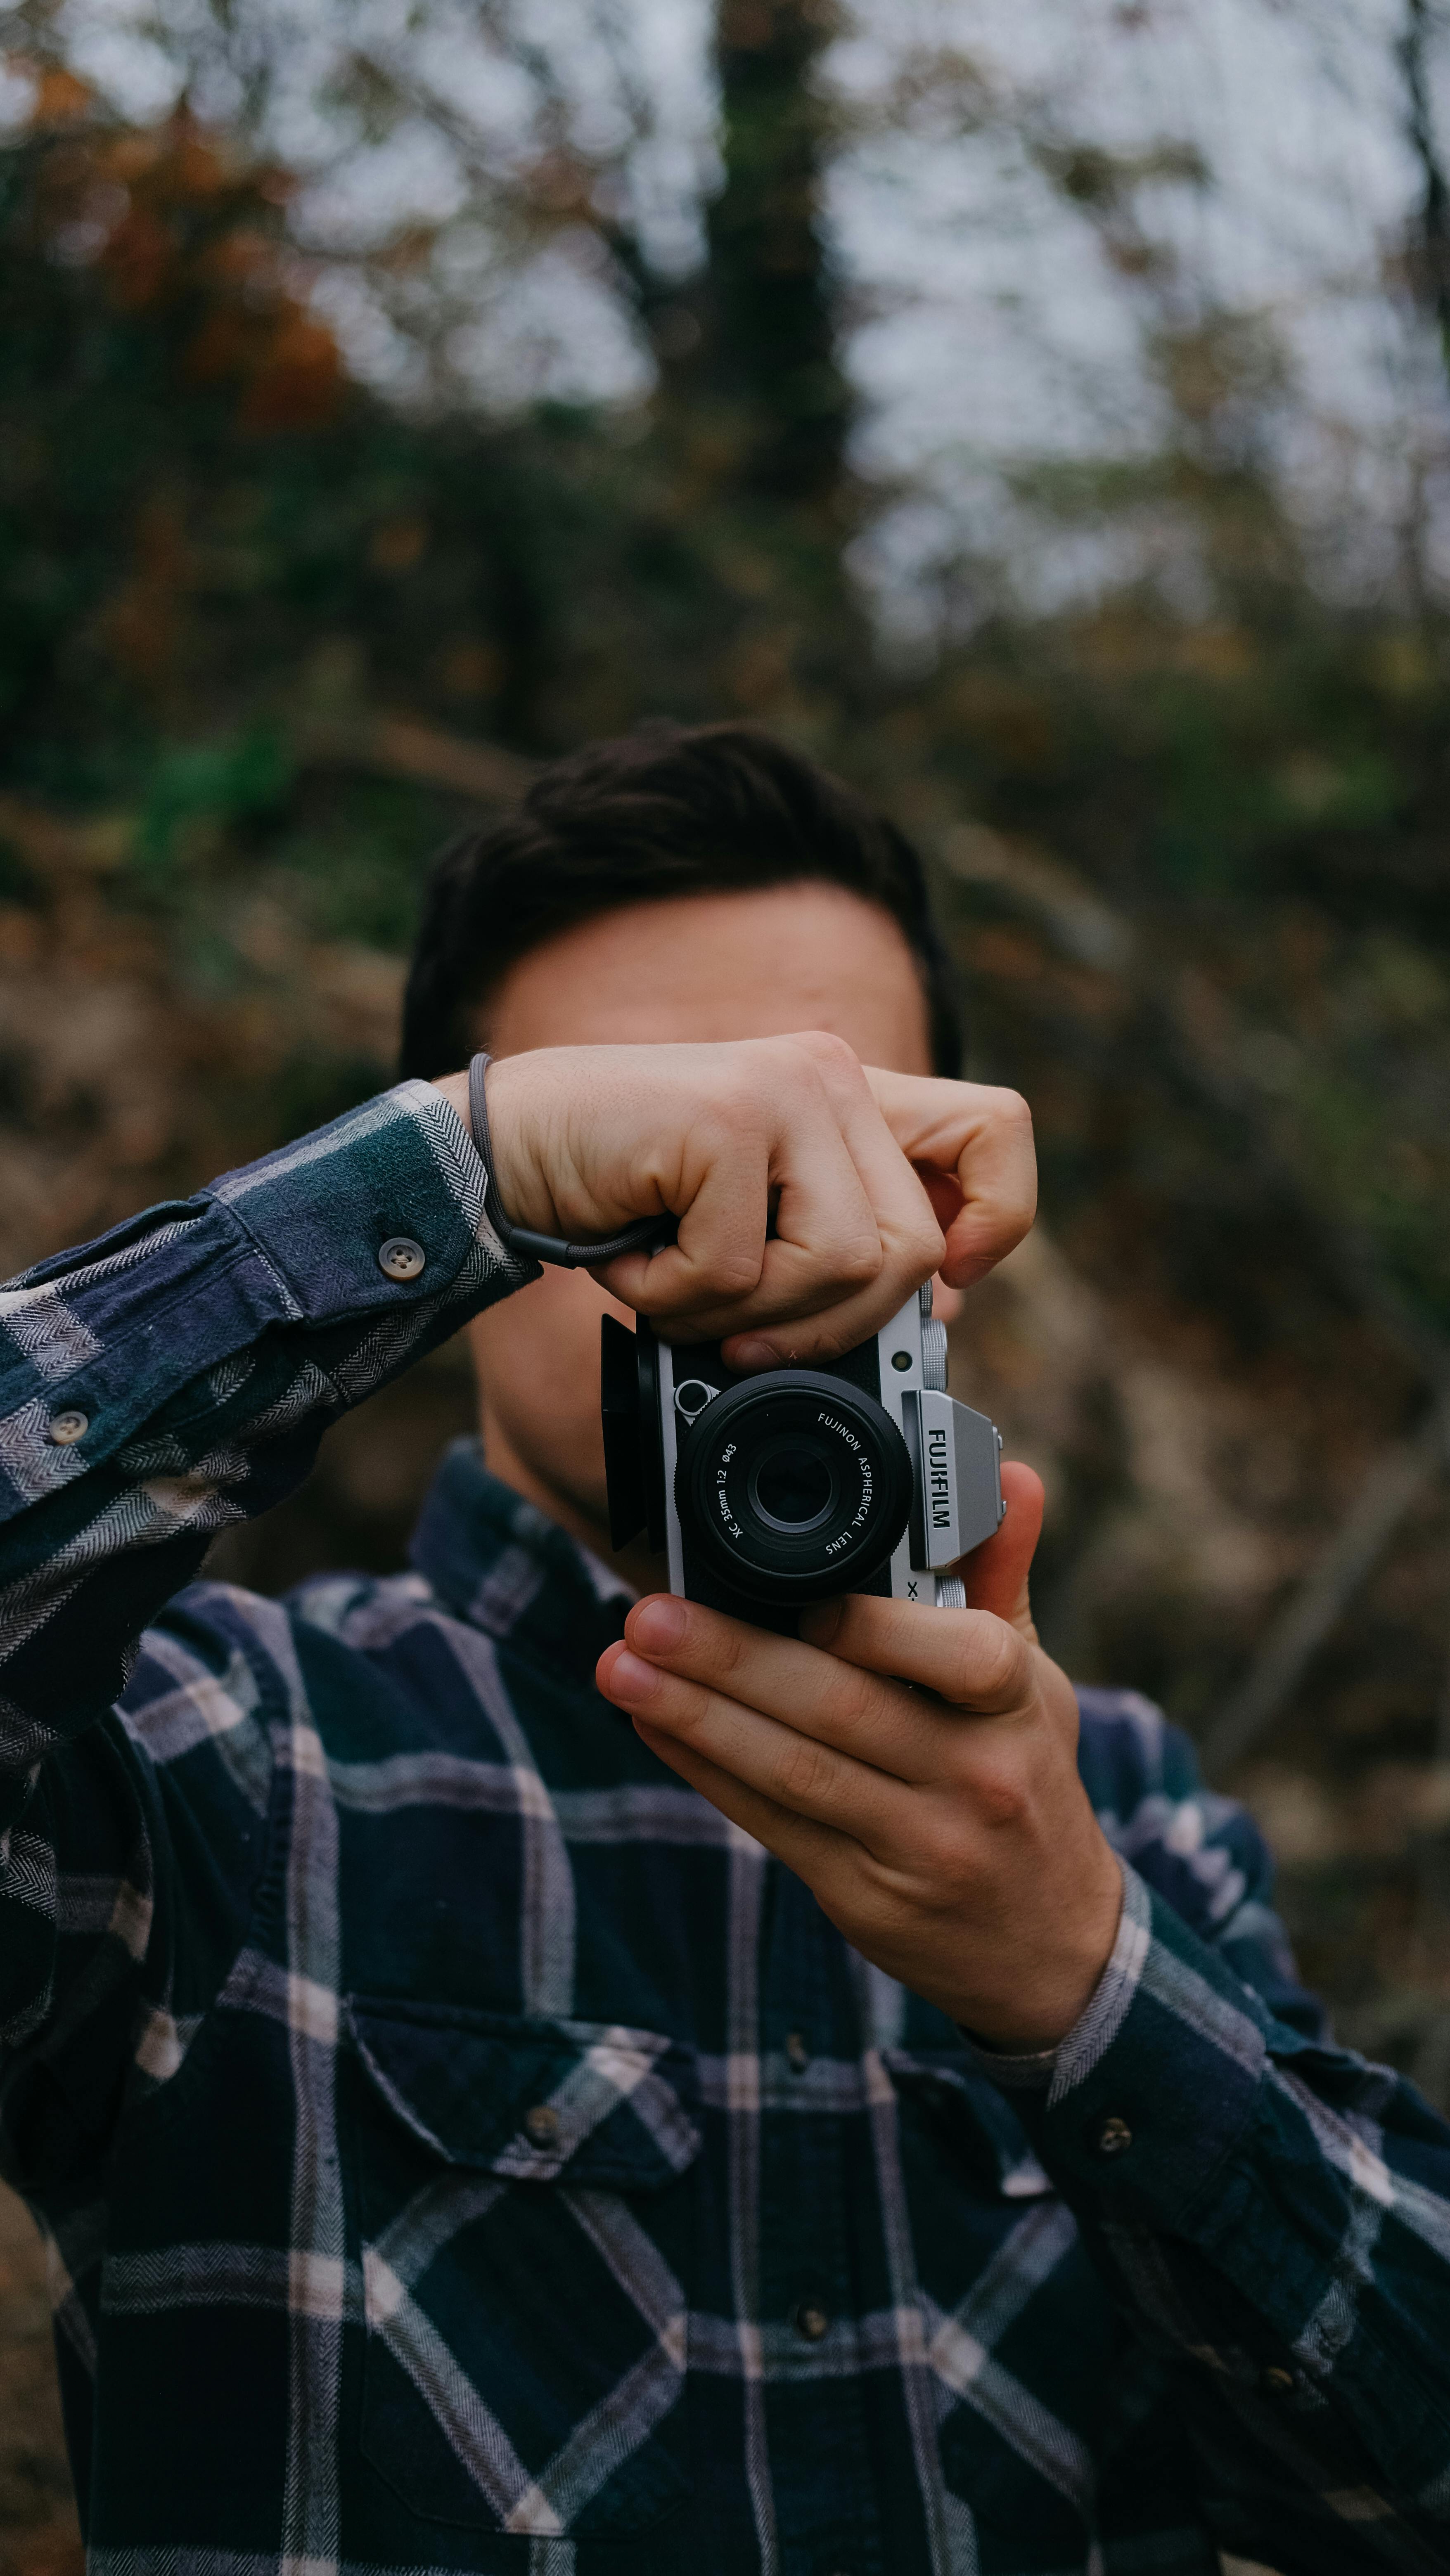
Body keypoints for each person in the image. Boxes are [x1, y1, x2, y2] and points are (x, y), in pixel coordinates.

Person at [0, 724, 1446, 2576]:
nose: (757, 1241)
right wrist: (466, 1165)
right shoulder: (221, 1755)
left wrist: (1081, 1986)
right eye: (654, 1158)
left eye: (845, 1147)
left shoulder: (1119, 1808)